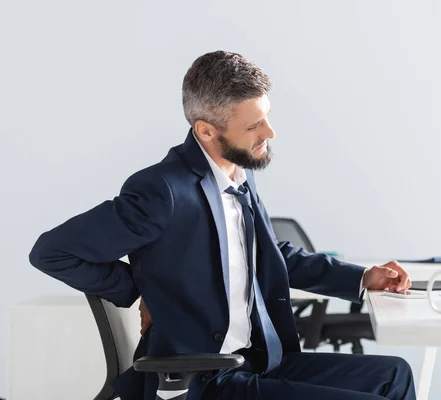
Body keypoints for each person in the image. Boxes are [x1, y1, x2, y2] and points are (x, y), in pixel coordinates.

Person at [29, 50, 416, 400]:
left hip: (255, 361)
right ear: (206, 130)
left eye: (266, 118)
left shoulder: (237, 175)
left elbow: (269, 256)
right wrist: (142, 289)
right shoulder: (163, 191)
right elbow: (52, 252)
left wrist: (362, 277)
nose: (269, 133)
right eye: (254, 126)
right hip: (203, 379)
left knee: (393, 375)